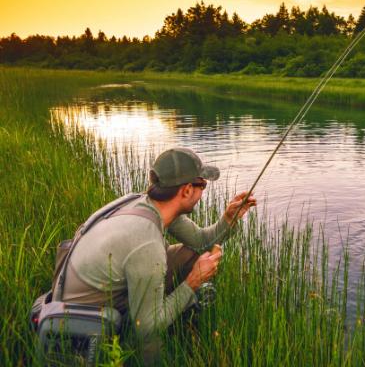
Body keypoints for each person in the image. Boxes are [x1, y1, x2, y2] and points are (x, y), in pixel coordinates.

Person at [60, 147, 256, 361]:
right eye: (202, 185)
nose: (203, 191)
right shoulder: (146, 243)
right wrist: (194, 281)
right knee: (149, 333)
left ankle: (175, 319)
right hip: (86, 323)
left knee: (190, 253)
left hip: (99, 291)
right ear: (187, 190)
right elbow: (145, 328)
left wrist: (229, 218)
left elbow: (201, 241)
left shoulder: (147, 204)